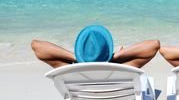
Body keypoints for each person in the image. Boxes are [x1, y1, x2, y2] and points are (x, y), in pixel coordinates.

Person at [31, 25, 160, 69]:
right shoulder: (123, 70)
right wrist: (115, 56)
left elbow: (36, 46)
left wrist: (77, 58)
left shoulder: (71, 72)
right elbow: (154, 45)